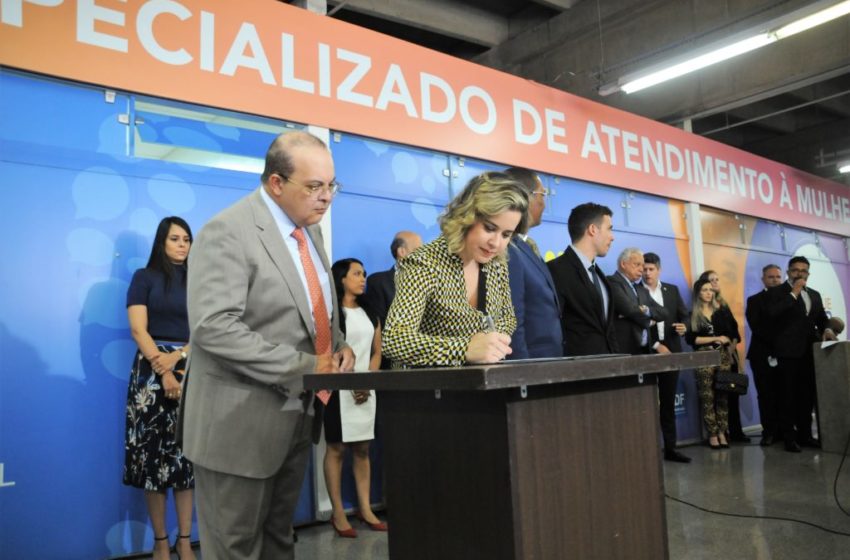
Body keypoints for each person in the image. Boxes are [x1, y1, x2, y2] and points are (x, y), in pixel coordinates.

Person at [180, 131, 355, 560]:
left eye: (332, 185)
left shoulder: (307, 233)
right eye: (314, 186)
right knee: (234, 548)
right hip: (237, 426)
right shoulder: (228, 231)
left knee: (280, 539)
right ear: (276, 183)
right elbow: (214, 327)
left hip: (296, 415)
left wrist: (341, 344)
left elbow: (309, 310)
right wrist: (307, 366)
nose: (326, 197)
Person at [382, 171, 528, 368]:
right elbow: (395, 340)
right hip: (429, 390)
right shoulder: (425, 262)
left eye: (506, 234)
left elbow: (508, 318)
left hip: (480, 386)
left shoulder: (497, 263)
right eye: (489, 228)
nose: (496, 243)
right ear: (467, 217)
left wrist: (488, 340)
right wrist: (465, 348)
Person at [124, 216, 196, 560]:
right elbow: (139, 330)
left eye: (186, 239)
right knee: (153, 464)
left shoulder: (201, 280)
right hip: (150, 373)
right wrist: (163, 368)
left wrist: (180, 358)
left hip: (193, 366)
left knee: (186, 462)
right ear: (161, 243)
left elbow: (207, 328)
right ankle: (161, 543)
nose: (182, 245)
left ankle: (185, 539)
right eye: (175, 239)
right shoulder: (144, 277)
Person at [323, 258, 387, 538]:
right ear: (342, 279)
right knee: (336, 449)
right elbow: (328, 353)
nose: (363, 278)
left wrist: (367, 382)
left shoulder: (370, 311)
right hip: (337, 388)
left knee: (363, 449)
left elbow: (377, 351)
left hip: (366, 388)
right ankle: (338, 513)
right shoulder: (332, 314)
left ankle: (365, 509)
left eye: (364, 273)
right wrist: (350, 383)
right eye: (357, 274)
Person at [765, 256, 837, 452]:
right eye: (795, 270)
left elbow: (822, 318)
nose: (799, 274)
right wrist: (794, 293)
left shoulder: (814, 294)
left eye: (803, 271)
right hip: (787, 352)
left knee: (807, 396)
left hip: (810, 351)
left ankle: (805, 435)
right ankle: (789, 438)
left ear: (808, 273)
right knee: (787, 396)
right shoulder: (777, 292)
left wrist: (827, 329)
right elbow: (773, 314)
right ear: (788, 272)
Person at [503, 167, 563, 359]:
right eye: (542, 195)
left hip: (548, 362)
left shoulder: (524, 246)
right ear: (524, 196)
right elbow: (512, 322)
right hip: (531, 368)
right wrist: (523, 372)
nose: (544, 204)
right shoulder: (508, 250)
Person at [546, 203, 618, 356]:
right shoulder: (555, 270)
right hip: (576, 372)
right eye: (609, 228)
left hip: (610, 370)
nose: (613, 237)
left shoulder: (600, 276)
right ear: (593, 229)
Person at [642, 252, 691, 463]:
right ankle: (647, 450)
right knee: (645, 404)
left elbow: (685, 315)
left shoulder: (671, 290)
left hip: (672, 351)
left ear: (658, 270)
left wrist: (684, 326)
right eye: (643, 268)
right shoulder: (635, 291)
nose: (646, 272)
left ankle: (670, 448)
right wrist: (655, 345)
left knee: (668, 403)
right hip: (647, 352)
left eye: (651, 269)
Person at [686, 278, 740, 449]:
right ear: (697, 293)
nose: (709, 293)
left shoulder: (721, 312)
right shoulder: (692, 315)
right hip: (703, 357)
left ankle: (723, 431)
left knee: (723, 396)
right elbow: (692, 339)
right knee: (707, 397)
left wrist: (725, 342)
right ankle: (713, 434)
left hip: (722, 356)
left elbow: (730, 334)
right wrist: (715, 338)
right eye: (704, 290)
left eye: (711, 289)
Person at [698, 269, 748, 443]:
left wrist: (732, 345)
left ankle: (735, 431)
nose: (715, 283)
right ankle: (720, 433)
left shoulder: (724, 305)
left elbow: (734, 329)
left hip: (730, 354)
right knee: (715, 395)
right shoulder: (704, 310)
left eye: (717, 279)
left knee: (730, 393)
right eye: (712, 280)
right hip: (713, 356)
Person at [363, 231, 423, 369]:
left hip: (426, 363)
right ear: (402, 251)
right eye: (420, 250)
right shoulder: (378, 282)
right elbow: (380, 326)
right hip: (392, 365)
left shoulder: (430, 283)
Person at [745, 264, 783, 447]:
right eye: (771, 277)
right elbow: (757, 326)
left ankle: (786, 431)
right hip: (761, 355)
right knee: (765, 394)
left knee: (785, 394)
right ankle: (769, 431)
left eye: (777, 276)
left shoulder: (791, 299)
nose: (775, 280)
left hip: (787, 354)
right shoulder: (754, 301)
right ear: (763, 279)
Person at [607, 248, 667, 356]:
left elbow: (663, 312)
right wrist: (649, 322)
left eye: (642, 265)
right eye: (637, 264)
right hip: (624, 350)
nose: (641, 269)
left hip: (645, 350)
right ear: (623, 264)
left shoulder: (641, 290)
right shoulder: (612, 282)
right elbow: (629, 309)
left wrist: (647, 310)